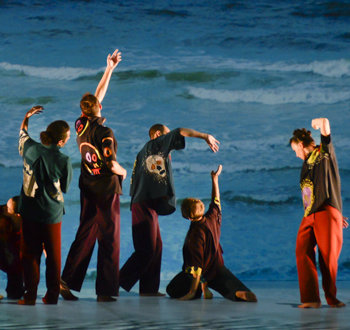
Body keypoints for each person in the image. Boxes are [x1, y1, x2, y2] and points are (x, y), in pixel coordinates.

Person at [119, 124, 219, 296]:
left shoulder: (145, 151)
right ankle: (116, 280)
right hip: (143, 203)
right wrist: (205, 136)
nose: (170, 138)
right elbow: (180, 131)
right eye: (167, 134)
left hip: (146, 203)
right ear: (158, 134)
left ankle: (148, 289)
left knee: (157, 246)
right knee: (147, 249)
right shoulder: (156, 144)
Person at [60, 50, 127, 302]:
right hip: (106, 190)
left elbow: (97, 97)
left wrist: (109, 70)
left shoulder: (81, 126)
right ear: (99, 108)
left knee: (86, 233)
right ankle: (106, 291)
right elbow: (111, 163)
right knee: (109, 238)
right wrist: (124, 171)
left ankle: (66, 280)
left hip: (87, 187)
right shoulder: (105, 131)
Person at [165, 166, 257, 302]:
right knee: (231, 287)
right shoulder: (212, 217)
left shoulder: (195, 235)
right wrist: (215, 180)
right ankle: (233, 292)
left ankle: (199, 288)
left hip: (203, 272)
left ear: (189, 218)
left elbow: (197, 266)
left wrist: (191, 292)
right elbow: (216, 201)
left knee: (171, 289)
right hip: (217, 267)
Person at [17, 106, 73, 305]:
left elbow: (22, 133)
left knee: (30, 254)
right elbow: (65, 187)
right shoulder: (63, 160)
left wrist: (27, 117)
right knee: (53, 256)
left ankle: (30, 296)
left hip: (29, 209)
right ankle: (52, 296)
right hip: (52, 213)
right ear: (60, 142)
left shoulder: (30, 148)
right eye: (68, 138)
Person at [290, 117, 347, 308]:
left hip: (325, 211)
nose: (296, 155)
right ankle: (311, 299)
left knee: (327, 257)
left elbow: (325, 124)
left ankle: (332, 299)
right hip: (310, 214)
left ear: (301, 145)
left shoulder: (324, 153)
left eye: (295, 150)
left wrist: (317, 123)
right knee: (302, 250)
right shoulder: (306, 163)